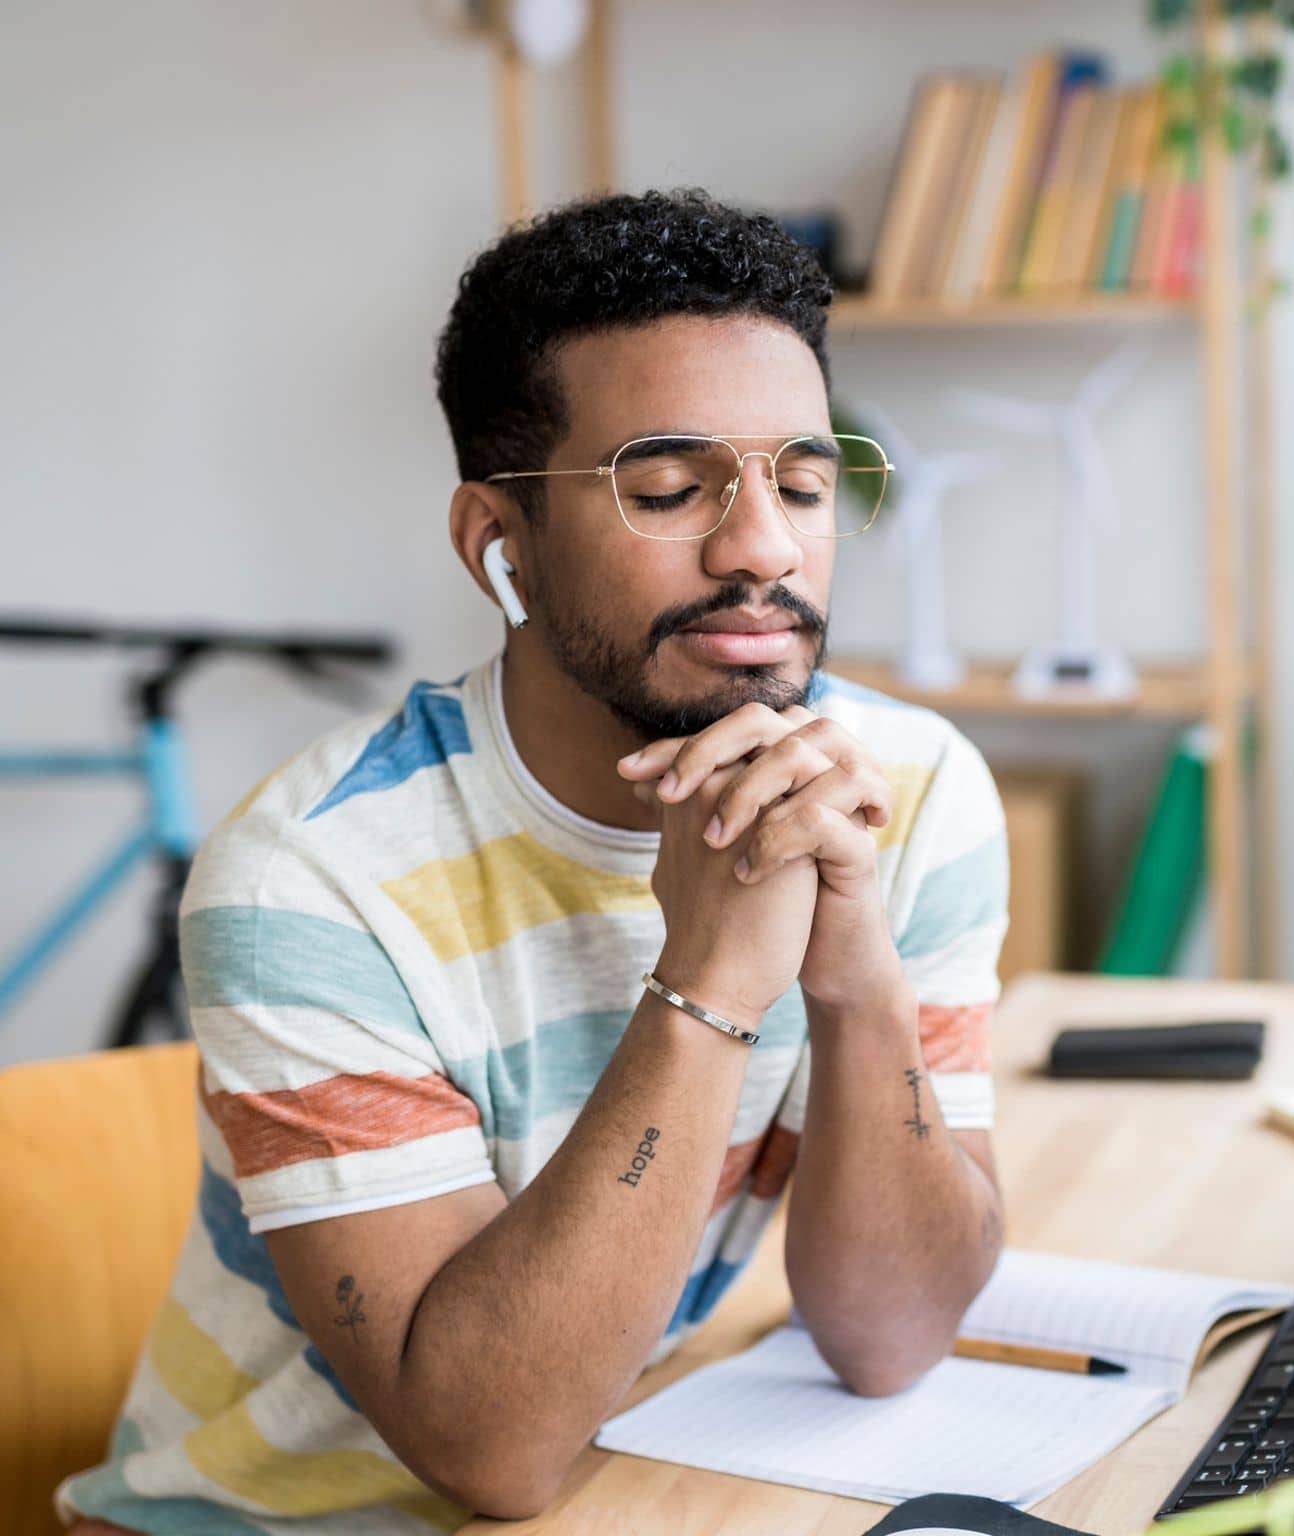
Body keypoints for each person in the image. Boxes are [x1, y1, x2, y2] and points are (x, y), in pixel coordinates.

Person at [59, 188, 1010, 1534]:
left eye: (803, 484)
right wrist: (710, 986)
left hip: (610, 1484)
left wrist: (856, 981)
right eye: (669, 489)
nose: (763, 547)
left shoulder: (908, 792)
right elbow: (488, 1452)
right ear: (498, 544)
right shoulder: (309, 884)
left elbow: (894, 1335)